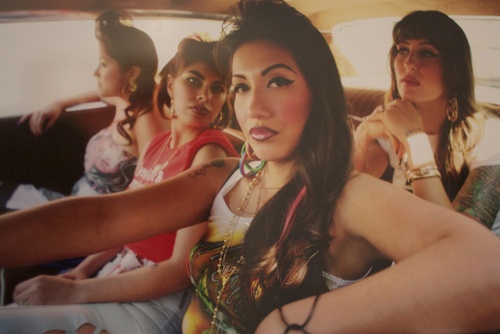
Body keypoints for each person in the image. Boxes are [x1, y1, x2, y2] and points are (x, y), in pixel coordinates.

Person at [1, 1, 500, 333]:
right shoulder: (225, 172)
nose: (252, 107)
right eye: (240, 86)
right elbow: (103, 219)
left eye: (278, 81)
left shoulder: (345, 197)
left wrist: (287, 323)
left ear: (319, 94)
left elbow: (484, 269)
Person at [0, 36, 238, 333]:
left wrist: (72, 292)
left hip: (156, 299)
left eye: (218, 88)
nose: (205, 95)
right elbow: (122, 224)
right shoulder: (156, 146)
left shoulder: (209, 155)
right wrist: (80, 272)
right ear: (170, 85)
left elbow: (179, 271)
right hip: (118, 275)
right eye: (194, 80)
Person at [3, 9, 164, 210]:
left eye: (103, 64)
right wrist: (60, 103)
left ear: (132, 73)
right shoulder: (123, 100)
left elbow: (152, 190)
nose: (95, 72)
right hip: (75, 200)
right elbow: (100, 93)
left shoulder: (145, 119)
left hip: (92, 219)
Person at [353, 10, 500, 230]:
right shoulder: (389, 121)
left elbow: (460, 242)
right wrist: (363, 134)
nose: (409, 63)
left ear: (454, 69)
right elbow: (344, 195)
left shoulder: (490, 137)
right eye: (403, 49)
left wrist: (414, 139)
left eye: (427, 53)